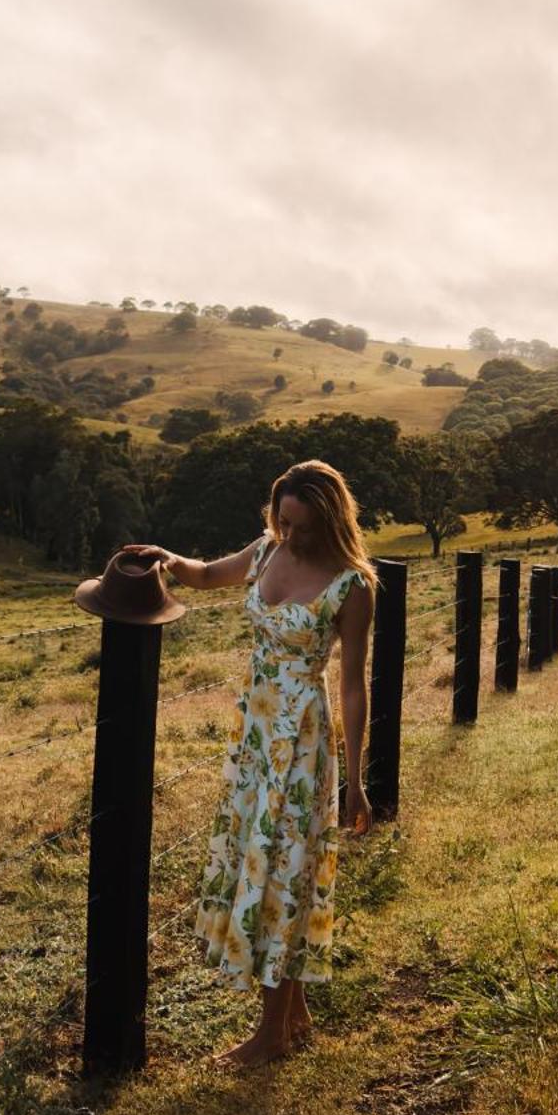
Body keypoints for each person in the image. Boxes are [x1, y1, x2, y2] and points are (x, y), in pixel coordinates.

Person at [124, 458, 376, 1070]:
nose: (290, 535)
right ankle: (294, 1015)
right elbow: (209, 574)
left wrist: (356, 780)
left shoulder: (352, 585)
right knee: (255, 863)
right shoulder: (265, 551)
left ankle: (270, 1037)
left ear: (331, 519)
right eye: (282, 521)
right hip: (254, 737)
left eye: (303, 526)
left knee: (282, 877)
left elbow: (352, 687)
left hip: (301, 744)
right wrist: (167, 559)